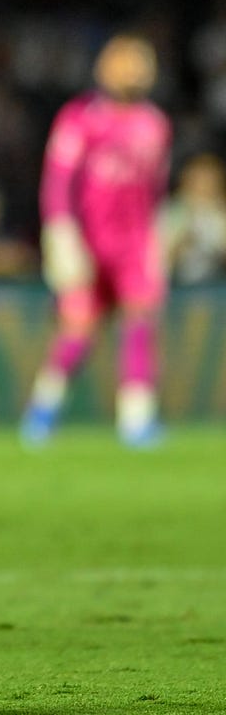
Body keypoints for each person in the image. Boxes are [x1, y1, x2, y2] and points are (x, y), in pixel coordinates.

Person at [21, 33, 172, 449]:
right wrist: (61, 233)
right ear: (104, 68)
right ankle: (43, 410)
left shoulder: (154, 123)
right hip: (87, 240)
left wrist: (158, 238)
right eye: (125, 62)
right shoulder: (79, 118)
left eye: (141, 63)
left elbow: (156, 189)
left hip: (135, 244)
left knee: (140, 323)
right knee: (78, 329)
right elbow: (57, 181)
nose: (134, 71)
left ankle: (137, 420)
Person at [159, 152, 226, 284]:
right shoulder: (172, 212)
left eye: (210, 181)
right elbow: (160, 263)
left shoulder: (221, 211)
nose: (204, 187)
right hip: (178, 286)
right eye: (198, 181)